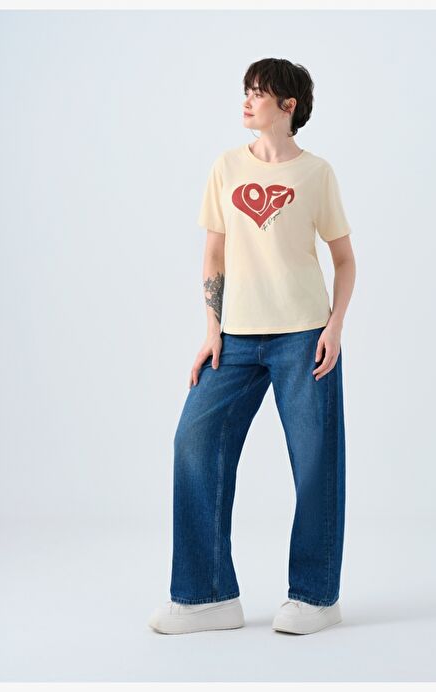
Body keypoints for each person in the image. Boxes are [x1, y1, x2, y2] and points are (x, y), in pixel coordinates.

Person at [148, 58, 356, 636]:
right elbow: (214, 254)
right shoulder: (226, 167)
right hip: (235, 338)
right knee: (194, 442)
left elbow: (344, 260)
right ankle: (206, 595)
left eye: (258, 93)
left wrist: (334, 328)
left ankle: (316, 597)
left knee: (315, 462)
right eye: (246, 90)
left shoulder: (317, 174)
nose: (246, 100)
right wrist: (212, 329)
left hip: (304, 336)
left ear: (288, 106)